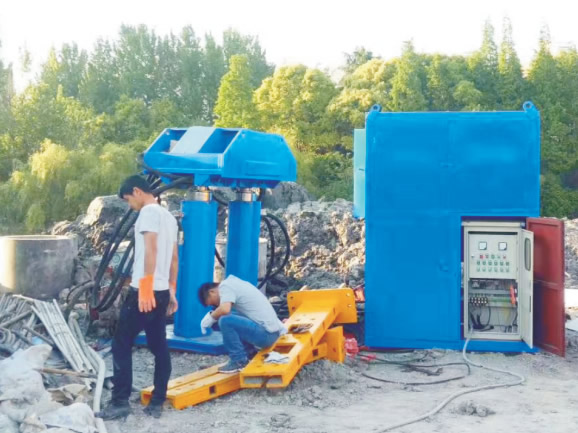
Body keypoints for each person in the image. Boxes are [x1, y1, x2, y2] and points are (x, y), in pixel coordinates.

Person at [98, 175, 179, 420]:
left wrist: (145, 287)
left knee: (121, 343)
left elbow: (151, 249)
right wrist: (171, 289)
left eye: (128, 200)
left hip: (145, 292)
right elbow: (174, 258)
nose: (130, 205)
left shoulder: (148, 212)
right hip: (162, 291)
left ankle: (120, 402)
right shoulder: (169, 217)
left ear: (137, 191)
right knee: (159, 346)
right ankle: (157, 402)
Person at [198, 275, 285, 373]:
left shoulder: (225, 286)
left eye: (213, 303)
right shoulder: (234, 284)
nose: (216, 305)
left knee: (225, 320)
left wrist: (210, 317)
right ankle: (249, 353)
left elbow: (225, 309)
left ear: (212, 292)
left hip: (267, 335)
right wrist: (214, 317)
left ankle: (238, 361)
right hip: (271, 333)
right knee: (223, 319)